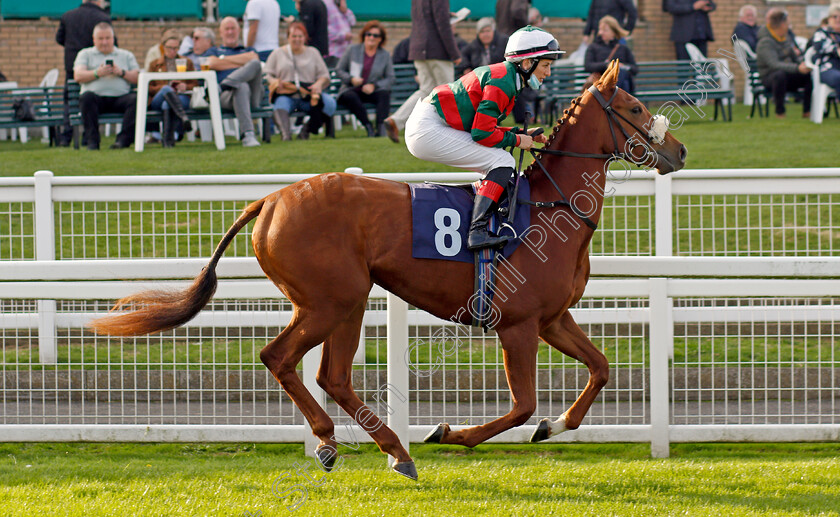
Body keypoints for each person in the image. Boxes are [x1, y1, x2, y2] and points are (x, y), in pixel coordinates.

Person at [405, 26, 560, 250]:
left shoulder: (507, 77)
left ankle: (489, 219)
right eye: (545, 65)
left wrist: (519, 134)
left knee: (498, 159)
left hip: (430, 123)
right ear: (527, 63)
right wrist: (517, 141)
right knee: (502, 161)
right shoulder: (503, 81)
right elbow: (481, 134)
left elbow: (483, 127)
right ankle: (477, 232)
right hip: (427, 129)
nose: (548, 73)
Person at [384, 0, 461, 144]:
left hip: (419, 48)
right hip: (437, 51)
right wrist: (454, 53)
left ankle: (396, 120)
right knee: (449, 93)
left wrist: (446, 14)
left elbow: (427, 17)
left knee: (425, 90)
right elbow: (442, 24)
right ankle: (451, 133)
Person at [264, 22, 336, 140]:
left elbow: (325, 75)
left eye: (300, 36)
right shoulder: (278, 53)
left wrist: (318, 84)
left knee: (329, 103)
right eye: (294, 36)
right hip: (287, 93)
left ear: (305, 38)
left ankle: (306, 130)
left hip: (308, 93)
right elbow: (267, 74)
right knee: (280, 105)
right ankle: (286, 134)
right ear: (288, 37)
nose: (297, 39)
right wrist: (274, 82)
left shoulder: (313, 52)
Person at [55, 0, 113, 147]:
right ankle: (87, 137)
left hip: (71, 66)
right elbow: (112, 43)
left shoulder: (68, 16)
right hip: (93, 68)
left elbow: (59, 38)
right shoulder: (102, 17)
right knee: (91, 101)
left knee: (70, 102)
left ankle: (66, 137)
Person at [73, 23, 139, 150]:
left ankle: (122, 141)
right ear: (94, 39)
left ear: (113, 38)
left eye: (108, 38)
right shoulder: (85, 54)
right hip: (96, 100)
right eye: (101, 39)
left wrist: (122, 72)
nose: (104, 42)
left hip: (120, 98)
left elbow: (137, 77)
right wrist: (97, 73)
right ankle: (93, 142)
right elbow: (78, 76)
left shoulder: (126, 55)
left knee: (135, 99)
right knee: (86, 97)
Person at [205, 17, 264, 147]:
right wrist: (242, 61)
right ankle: (248, 136)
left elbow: (254, 59)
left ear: (239, 31)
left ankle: (226, 83)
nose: (230, 32)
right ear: (221, 32)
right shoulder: (214, 51)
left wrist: (223, 60)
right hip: (226, 97)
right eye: (227, 29)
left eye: (233, 29)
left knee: (254, 63)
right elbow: (212, 63)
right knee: (241, 86)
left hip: (252, 96)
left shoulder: (249, 50)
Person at [335, 21, 398, 141]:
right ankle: (368, 126)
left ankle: (381, 128)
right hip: (351, 89)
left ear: (381, 39)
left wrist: (374, 85)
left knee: (384, 94)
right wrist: (351, 79)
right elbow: (339, 69)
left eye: (375, 35)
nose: (371, 38)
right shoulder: (352, 50)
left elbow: (391, 77)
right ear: (364, 35)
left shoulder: (384, 55)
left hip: (370, 91)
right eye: (368, 34)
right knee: (350, 96)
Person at [756, 8, 812, 118]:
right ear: (782, 24)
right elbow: (774, 64)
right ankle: (780, 112)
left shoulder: (785, 38)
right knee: (779, 75)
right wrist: (797, 68)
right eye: (788, 23)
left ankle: (807, 111)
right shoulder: (765, 42)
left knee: (808, 76)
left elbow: (795, 59)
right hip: (769, 78)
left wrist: (804, 65)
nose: (789, 26)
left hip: (786, 75)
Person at [147, 34, 197, 147]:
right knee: (166, 89)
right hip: (158, 99)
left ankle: (168, 141)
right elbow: (149, 87)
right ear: (163, 47)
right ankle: (183, 117)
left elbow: (194, 84)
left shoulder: (187, 62)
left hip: (181, 96)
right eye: (169, 47)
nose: (172, 51)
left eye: (175, 48)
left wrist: (185, 86)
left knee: (167, 104)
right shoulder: (154, 64)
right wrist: (165, 87)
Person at [584, 15, 637, 93]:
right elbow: (588, 66)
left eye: (605, 30)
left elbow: (635, 68)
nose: (601, 33)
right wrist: (607, 65)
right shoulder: (593, 47)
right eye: (600, 29)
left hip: (622, 85)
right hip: (601, 84)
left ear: (613, 32)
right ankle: (615, 96)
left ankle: (615, 95)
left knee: (621, 73)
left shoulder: (623, 48)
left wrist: (623, 66)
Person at [810, 6, 840, 96]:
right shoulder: (821, 33)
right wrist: (835, 50)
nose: (838, 19)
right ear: (828, 19)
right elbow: (818, 49)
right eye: (835, 16)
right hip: (826, 69)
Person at [324, 0, 356, 68]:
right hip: (334, 54)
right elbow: (325, 32)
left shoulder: (340, 4)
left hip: (346, 53)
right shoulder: (325, 4)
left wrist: (345, 10)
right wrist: (343, 37)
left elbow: (353, 22)